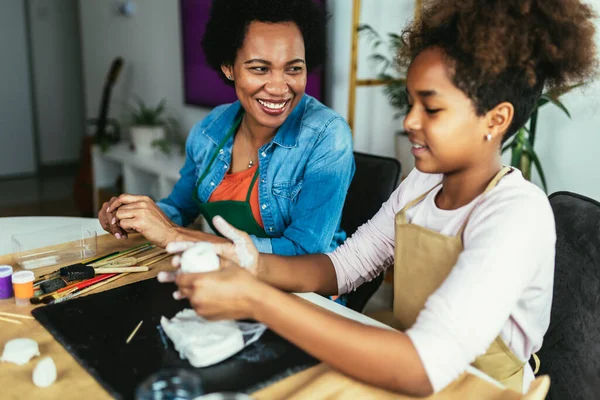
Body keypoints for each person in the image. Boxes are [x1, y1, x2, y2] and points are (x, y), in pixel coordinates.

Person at [160, 0, 598, 396]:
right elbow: (343, 267)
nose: (409, 121)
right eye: (410, 103)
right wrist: (253, 264)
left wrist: (256, 298)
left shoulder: (515, 214)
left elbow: (425, 364)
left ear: (495, 118)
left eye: (431, 108)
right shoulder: (421, 188)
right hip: (406, 369)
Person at [97, 0, 354, 255]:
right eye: (260, 69)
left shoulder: (327, 135)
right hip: (232, 279)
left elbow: (305, 252)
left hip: (304, 292)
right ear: (228, 68)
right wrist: (137, 216)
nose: (279, 88)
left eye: (294, 69)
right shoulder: (210, 130)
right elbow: (180, 207)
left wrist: (178, 237)